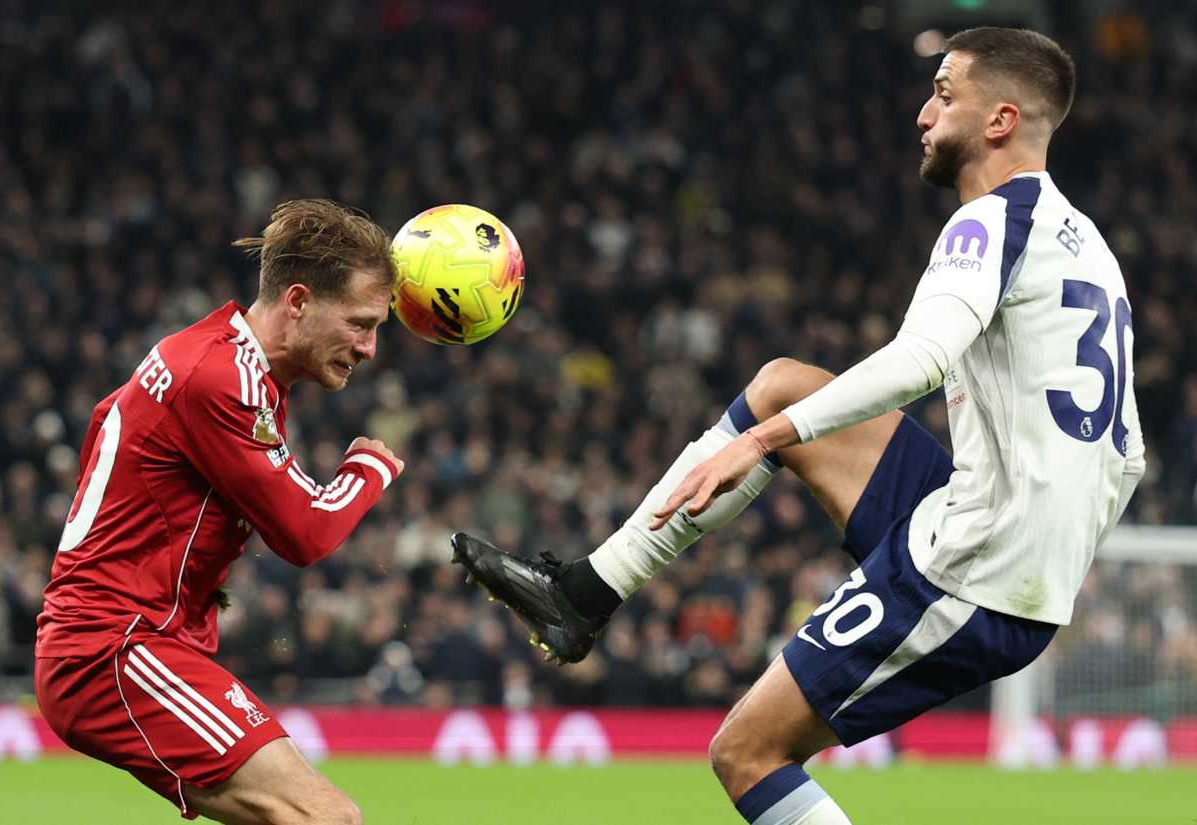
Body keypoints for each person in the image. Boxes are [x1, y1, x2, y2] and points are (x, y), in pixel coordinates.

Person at [453, 27, 1144, 825]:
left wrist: (757, 443)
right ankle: (583, 594)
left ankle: (584, 600)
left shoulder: (989, 223)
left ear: (1000, 120)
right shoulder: (1088, 244)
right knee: (784, 384)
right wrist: (1054, 545)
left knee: (745, 753)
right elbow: (1127, 451)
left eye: (945, 94)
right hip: (1004, 538)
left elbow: (918, 359)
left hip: (974, 566)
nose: (923, 113)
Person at [35, 199, 404, 825]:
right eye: (359, 324)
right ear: (298, 301)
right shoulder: (221, 376)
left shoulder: (209, 354)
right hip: (115, 648)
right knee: (326, 819)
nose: (369, 349)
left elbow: (107, 420)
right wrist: (369, 468)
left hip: (126, 641)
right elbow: (305, 532)